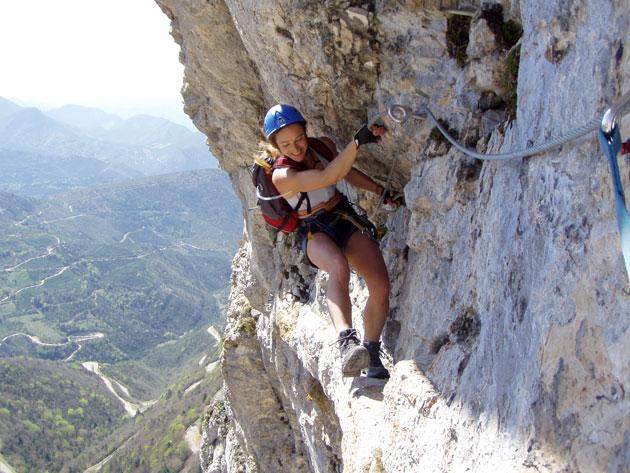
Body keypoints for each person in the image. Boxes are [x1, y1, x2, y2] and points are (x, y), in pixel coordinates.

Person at [263, 103, 393, 379]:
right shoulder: (281, 175)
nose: (295, 148)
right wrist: (358, 141)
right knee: (338, 267)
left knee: (380, 286)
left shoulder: (321, 147)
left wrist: (380, 190)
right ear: (275, 145)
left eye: (298, 139)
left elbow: (345, 171)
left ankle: (370, 351)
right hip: (313, 230)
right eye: (285, 144)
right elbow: (327, 176)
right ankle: (347, 343)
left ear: (305, 132)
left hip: (342, 216)